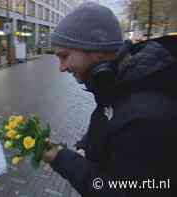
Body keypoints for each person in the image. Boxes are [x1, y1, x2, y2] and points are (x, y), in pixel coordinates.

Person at [41, 2, 177, 196]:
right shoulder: (119, 84)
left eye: (64, 56)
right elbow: (110, 122)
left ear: (96, 51)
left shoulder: (145, 116)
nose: (61, 67)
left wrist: (60, 158)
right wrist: (85, 146)